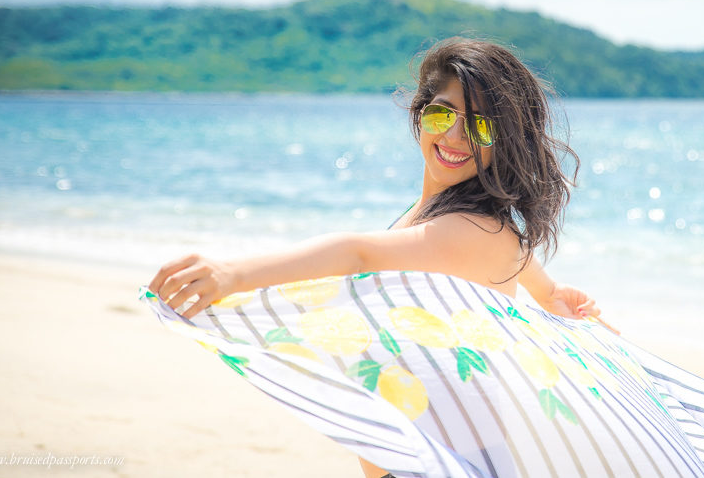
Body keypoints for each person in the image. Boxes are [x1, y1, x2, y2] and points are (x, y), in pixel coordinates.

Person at [150, 37, 604, 478]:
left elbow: (358, 253)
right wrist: (548, 293)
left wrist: (233, 274)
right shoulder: (455, 220)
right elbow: (516, 255)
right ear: (421, 111)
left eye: (480, 125)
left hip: (451, 463)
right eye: (444, 112)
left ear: (506, 141)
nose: (453, 134)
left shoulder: (474, 229)